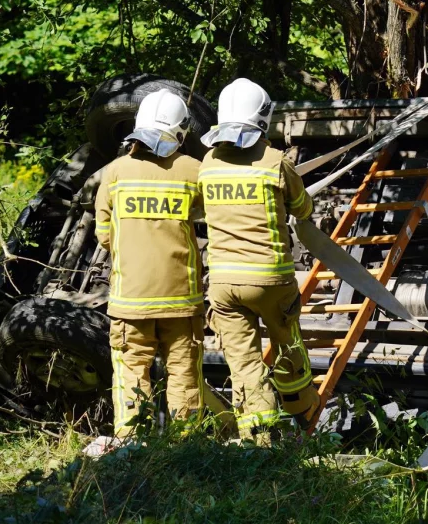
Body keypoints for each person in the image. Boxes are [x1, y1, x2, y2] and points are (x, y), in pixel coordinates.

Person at [198, 78, 318, 442]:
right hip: (270, 280)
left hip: (222, 284)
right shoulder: (275, 162)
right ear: (264, 118)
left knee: (245, 364)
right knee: (287, 346)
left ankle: (260, 439)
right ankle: (303, 412)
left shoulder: (208, 162)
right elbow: (303, 208)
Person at [95, 89, 205, 439]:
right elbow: (207, 217)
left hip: (130, 300)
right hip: (181, 301)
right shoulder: (194, 171)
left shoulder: (113, 173)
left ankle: (131, 446)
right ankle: (186, 445)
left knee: (131, 373)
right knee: (184, 373)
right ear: (180, 130)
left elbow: (104, 236)